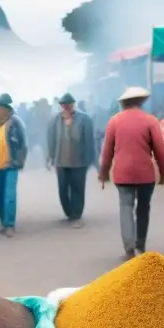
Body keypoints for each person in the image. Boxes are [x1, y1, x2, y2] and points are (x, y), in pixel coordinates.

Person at [99, 86, 164, 260]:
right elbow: (160, 151)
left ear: (124, 103)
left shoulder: (114, 121)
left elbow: (107, 151)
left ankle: (129, 248)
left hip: (122, 174)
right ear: (141, 102)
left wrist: (104, 173)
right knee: (143, 209)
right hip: (145, 174)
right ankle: (140, 244)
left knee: (125, 207)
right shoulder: (151, 121)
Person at [47, 92, 96, 228]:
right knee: (63, 188)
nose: (66, 107)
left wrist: (90, 159)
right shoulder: (55, 120)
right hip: (60, 160)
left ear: (73, 105)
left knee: (78, 188)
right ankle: (69, 213)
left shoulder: (84, 119)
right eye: (64, 105)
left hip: (79, 160)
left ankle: (77, 215)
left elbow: (88, 140)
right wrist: (50, 157)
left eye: (68, 105)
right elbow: (50, 139)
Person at [0, 93, 27, 237]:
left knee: (9, 195)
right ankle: (3, 222)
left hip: (10, 164)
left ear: (6, 108)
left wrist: (19, 161)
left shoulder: (16, 123)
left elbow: (23, 145)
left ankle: (9, 225)